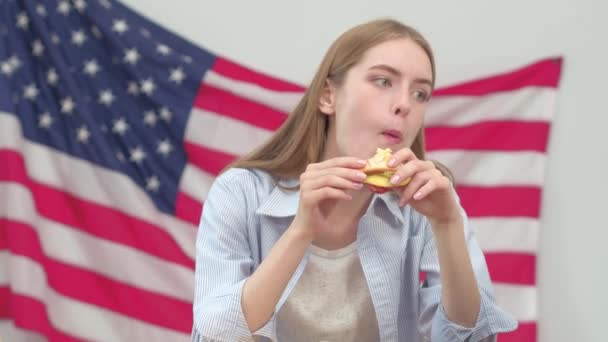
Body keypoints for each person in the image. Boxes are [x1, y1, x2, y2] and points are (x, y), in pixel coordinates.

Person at [191, 18, 518, 342]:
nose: (404, 104)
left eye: (420, 93)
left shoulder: (431, 204)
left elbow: (474, 340)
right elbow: (217, 334)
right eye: (383, 81)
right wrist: (301, 232)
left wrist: (447, 226)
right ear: (327, 97)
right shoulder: (239, 192)